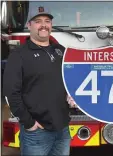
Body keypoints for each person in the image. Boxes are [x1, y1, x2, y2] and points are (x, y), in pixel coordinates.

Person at [3, 6, 71, 156]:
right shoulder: (19, 55)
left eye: (47, 21)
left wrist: (72, 96)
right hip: (36, 133)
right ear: (29, 25)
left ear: (51, 25)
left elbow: (70, 80)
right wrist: (29, 123)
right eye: (38, 21)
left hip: (63, 130)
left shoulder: (60, 51)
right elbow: (10, 92)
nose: (43, 25)